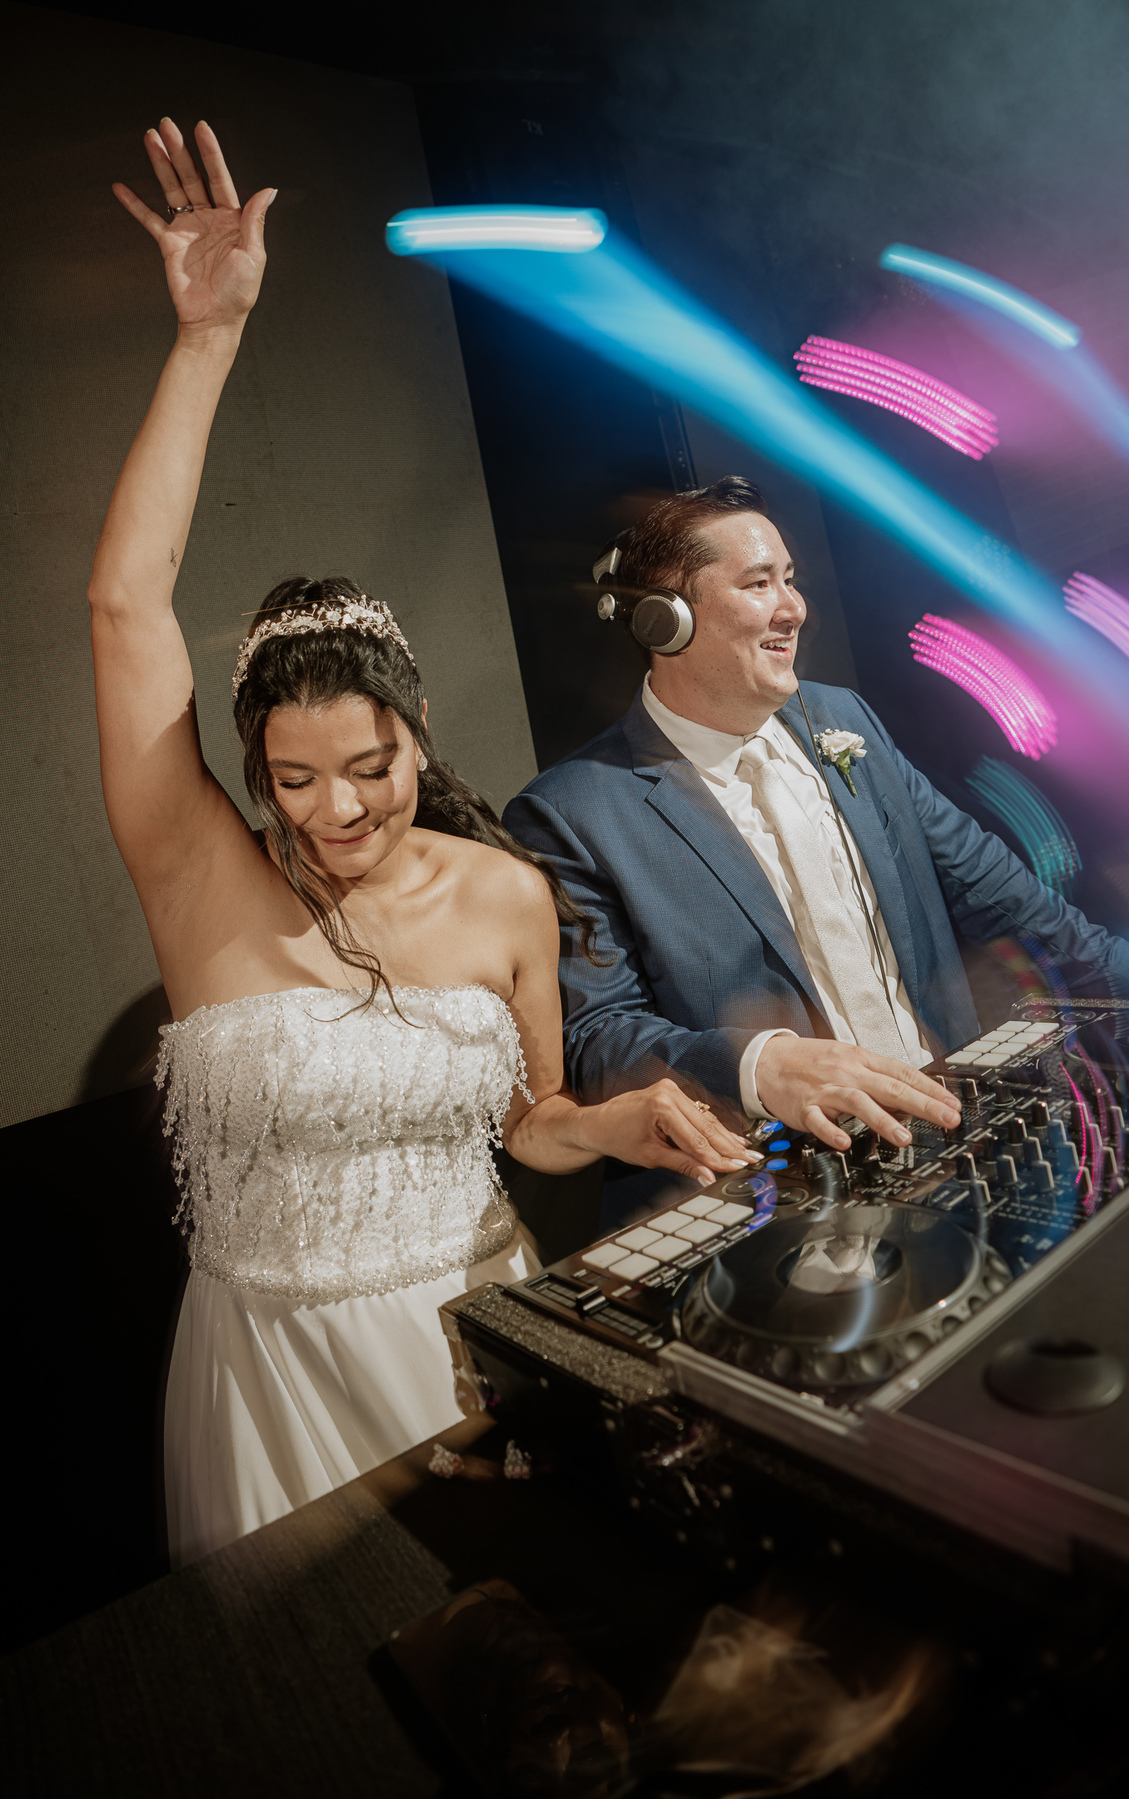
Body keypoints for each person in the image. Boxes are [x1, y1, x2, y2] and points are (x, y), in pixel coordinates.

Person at [91, 120, 753, 1566]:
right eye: (294, 778)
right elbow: (127, 609)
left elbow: (533, 1119)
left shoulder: (506, 892)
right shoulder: (202, 882)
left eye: (371, 768)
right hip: (272, 1373)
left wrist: (617, 1124)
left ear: (419, 734)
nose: (336, 809)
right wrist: (207, 337)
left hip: (474, 1334)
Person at [502, 478, 1129, 1227]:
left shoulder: (843, 716)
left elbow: (985, 878)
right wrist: (761, 1064)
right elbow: (598, 1038)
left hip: (958, 1125)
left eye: (790, 579)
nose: (793, 607)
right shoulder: (572, 813)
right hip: (784, 1191)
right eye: (759, 584)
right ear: (666, 620)